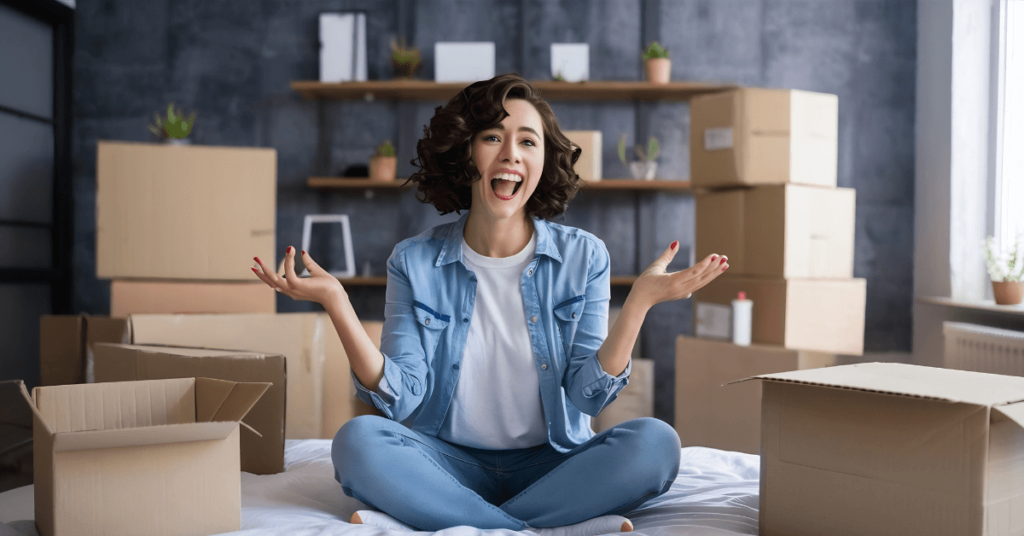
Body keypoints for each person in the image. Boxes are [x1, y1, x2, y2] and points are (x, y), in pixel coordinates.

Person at [251, 73, 729, 533]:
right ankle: (544, 525)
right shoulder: (413, 261)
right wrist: (338, 303)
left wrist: (640, 303)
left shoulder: (585, 256)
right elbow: (402, 399)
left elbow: (587, 395)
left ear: (543, 162)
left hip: (555, 462)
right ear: (466, 152)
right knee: (357, 442)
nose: (511, 154)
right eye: (492, 138)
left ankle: (461, 520)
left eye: (527, 141)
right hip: (448, 461)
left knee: (656, 444)